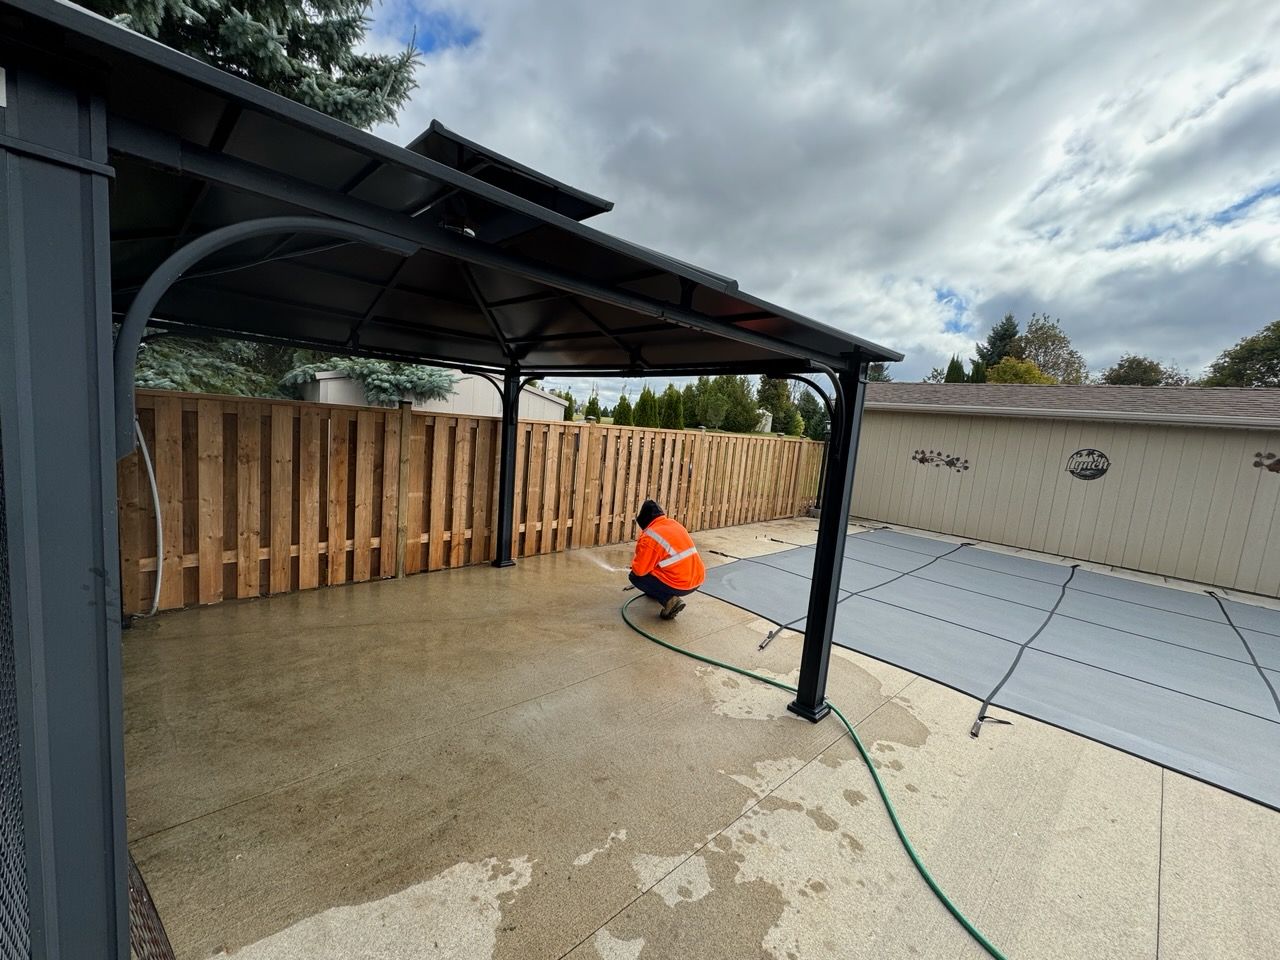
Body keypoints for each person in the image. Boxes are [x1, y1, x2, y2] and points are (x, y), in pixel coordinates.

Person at [628, 499, 706, 620]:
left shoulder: (650, 536)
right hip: (698, 578)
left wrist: (635, 565)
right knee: (653, 570)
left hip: (681, 584)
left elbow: (639, 571)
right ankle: (656, 593)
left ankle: (670, 601)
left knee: (635, 577)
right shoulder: (673, 524)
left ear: (644, 520)